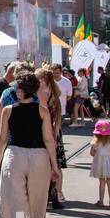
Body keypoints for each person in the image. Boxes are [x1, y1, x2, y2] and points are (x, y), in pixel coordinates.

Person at [0, 72, 60, 218]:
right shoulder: (43, 111)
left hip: (14, 154)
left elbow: (2, 139)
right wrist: (54, 165)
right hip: (39, 156)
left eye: (18, 89)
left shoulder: (8, 110)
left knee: (15, 200)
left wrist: (0, 157)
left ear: (23, 91)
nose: (15, 91)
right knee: (38, 198)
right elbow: (48, 139)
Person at [36, 66, 68, 206]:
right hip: (53, 131)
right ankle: (56, 194)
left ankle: (49, 194)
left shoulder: (42, 94)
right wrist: (56, 132)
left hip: (42, 131)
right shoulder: (55, 93)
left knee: (45, 164)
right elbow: (58, 116)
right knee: (55, 165)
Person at [90, 119, 110, 207]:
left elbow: (92, 153)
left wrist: (97, 153)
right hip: (109, 162)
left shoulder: (95, 142)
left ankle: (101, 201)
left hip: (100, 163)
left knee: (102, 182)